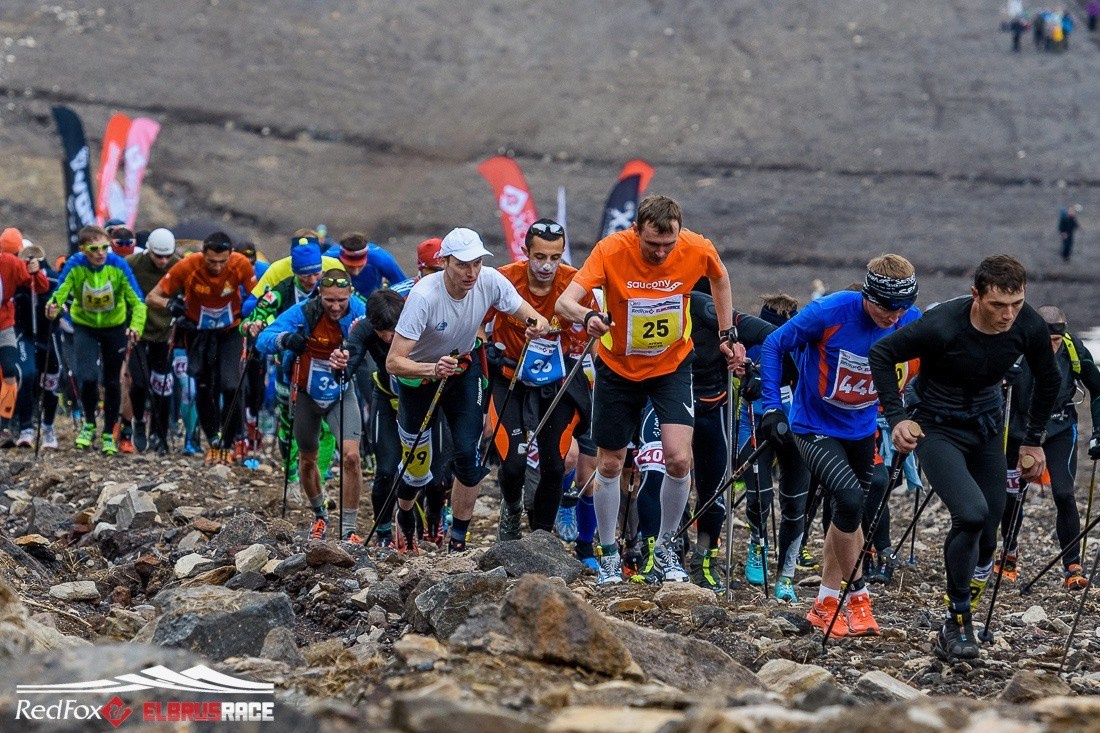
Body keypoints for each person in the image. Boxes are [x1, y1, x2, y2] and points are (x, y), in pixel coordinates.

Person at [869, 254, 1058, 662]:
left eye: (1016, 303)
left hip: (987, 427)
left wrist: (1032, 441)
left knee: (990, 528)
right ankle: (957, 620)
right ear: (976, 295)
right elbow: (883, 355)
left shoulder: (1027, 325)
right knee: (970, 514)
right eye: (997, 305)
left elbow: (1049, 378)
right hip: (935, 426)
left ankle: (963, 601)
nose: (1008, 315)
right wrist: (898, 417)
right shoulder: (942, 324)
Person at [554, 195, 742, 585]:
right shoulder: (611, 250)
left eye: (667, 246)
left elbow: (720, 277)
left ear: (679, 233)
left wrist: (727, 333)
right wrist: (588, 315)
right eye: (652, 244)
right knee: (610, 463)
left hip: (671, 364)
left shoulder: (697, 247)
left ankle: (669, 546)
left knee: (678, 460)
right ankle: (608, 553)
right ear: (635, 230)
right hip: (618, 367)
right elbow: (564, 302)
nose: (659, 253)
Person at [761, 254, 920, 638]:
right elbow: (772, 344)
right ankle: (859, 598)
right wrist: (770, 407)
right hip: (813, 426)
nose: (893, 316)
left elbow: (938, 360)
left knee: (847, 516)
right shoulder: (829, 312)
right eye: (885, 306)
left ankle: (825, 603)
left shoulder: (908, 320)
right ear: (868, 294)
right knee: (849, 500)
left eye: (902, 307)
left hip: (861, 429)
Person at [387, 227, 549, 554]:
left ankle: (458, 539)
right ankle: (404, 513)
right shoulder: (424, 297)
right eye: (462, 265)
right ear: (444, 262)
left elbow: (531, 316)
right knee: (418, 470)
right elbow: (394, 362)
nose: (470, 272)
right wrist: (431, 369)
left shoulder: (488, 280)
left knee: (468, 455)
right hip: (419, 377)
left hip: (463, 367)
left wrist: (536, 326)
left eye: (475, 263)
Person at [487, 219, 595, 539]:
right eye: (539, 257)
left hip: (556, 381)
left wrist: (581, 352)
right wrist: (487, 348)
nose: (547, 266)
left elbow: (592, 336)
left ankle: (541, 538)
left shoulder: (576, 284)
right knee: (514, 464)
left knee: (554, 465)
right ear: (526, 252)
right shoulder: (504, 279)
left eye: (555, 257)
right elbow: (478, 324)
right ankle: (510, 509)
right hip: (511, 378)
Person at [994, 305, 1100, 589]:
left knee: (1064, 493)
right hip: (1017, 430)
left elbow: (1097, 388)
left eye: (1057, 340)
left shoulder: (1072, 347)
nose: (1052, 346)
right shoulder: (1015, 346)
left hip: (1059, 427)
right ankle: (1009, 552)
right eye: (1047, 339)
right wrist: (1003, 382)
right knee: (1012, 495)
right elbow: (984, 383)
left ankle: (1073, 566)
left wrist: (1098, 431)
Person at [257, 270, 366, 540]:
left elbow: (381, 330)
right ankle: (320, 516)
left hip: (342, 392)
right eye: (330, 300)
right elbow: (264, 339)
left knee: (352, 457)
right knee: (307, 460)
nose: (336, 306)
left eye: (342, 299)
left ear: (350, 294)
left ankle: (349, 529)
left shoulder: (358, 310)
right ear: (320, 295)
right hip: (306, 392)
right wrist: (285, 340)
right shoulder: (303, 312)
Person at [146, 231, 257, 464]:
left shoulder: (241, 264)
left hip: (230, 331)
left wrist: (252, 309)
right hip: (198, 332)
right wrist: (171, 304)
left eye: (222, 261)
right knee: (203, 387)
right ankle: (213, 441)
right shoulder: (187, 266)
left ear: (230, 255)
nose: (217, 267)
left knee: (231, 385)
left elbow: (256, 294)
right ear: (203, 253)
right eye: (211, 261)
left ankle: (227, 443)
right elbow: (152, 297)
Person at [45, 226, 146, 453]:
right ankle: (89, 423)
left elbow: (138, 301)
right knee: (87, 377)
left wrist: (136, 326)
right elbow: (60, 291)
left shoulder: (118, 265)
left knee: (112, 382)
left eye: (104, 247)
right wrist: (52, 307)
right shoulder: (76, 265)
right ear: (83, 249)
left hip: (114, 327)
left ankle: (109, 432)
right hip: (85, 326)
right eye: (94, 248)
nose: (101, 253)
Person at [241, 244, 335, 490]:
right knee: (289, 419)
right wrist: (255, 324)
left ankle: (320, 478)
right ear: (295, 272)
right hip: (288, 365)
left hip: (322, 367)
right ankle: (291, 475)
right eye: (305, 275)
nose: (312, 280)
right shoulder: (282, 290)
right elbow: (251, 317)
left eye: (316, 274)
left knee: (326, 424)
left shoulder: (330, 289)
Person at [347, 289, 407, 547]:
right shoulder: (362, 329)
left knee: (432, 474)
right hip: (385, 397)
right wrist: (341, 365)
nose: (388, 337)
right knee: (385, 471)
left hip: (419, 401)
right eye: (381, 331)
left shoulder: (416, 321)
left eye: (393, 330)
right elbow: (352, 360)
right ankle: (383, 531)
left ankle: (429, 521)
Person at [121, 228, 181, 454]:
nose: (163, 261)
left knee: (163, 387)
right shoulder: (133, 263)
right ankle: (137, 421)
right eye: (158, 255)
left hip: (165, 333)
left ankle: (160, 433)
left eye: (167, 256)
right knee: (137, 383)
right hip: (138, 331)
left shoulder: (178, 265)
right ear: (148, 251)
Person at [0, 229, 49, 441]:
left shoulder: (10, 263)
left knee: (11, 369)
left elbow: (41, 286)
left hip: (5, 325)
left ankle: (4, 423)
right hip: (9, 323)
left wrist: (35, 271)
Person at [324, 232, 405, 298]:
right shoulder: (328, 259)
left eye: (360, 266)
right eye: (350, 267)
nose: (356, 272)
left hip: (372, 300)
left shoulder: (381, 260)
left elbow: (404, 286)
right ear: (340, 259)